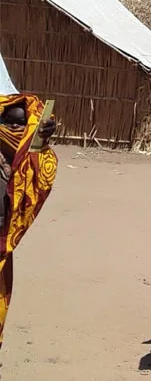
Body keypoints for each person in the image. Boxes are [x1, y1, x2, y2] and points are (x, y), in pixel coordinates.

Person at [0, 96, 57, 349]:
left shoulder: (27, 163)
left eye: (20, 125)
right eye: (8, 124)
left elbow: (42, 178)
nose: (14, 130)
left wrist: (41, 144)